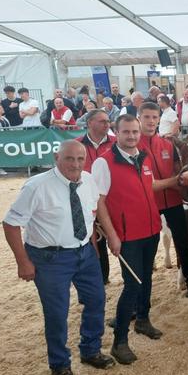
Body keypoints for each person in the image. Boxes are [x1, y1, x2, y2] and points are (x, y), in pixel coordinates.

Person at [3, 140, 115, 375]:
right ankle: (60, 365)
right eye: (69, 159)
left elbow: (92, 214)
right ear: (57, 158)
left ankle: (90, 350)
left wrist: (93, 250)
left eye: (80, 159)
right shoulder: (36, 186)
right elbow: (10, 223)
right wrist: (23, 262)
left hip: (85, 253)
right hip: (49, 259)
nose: (75, 164)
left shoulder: (88, 180)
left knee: (97, 299)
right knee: (56, 313)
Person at [92, 114, 166, 364]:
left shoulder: (142, 157)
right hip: (127, 237)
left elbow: (149, 188)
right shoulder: (104, 163)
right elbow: (99, 201)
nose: (132, 136)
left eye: (135, 132)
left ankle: (143, 321)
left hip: (150, 230)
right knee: (132, 285)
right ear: (116, 132)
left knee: (146, 280)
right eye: (127, 132)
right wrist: (112, 235)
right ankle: (119, 341)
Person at [137, 102, 188, 304]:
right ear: (139, 118)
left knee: (183, 243)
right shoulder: (134, 146)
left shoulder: (168, 145)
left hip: (174, 201)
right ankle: (140, 296)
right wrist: (177, 181)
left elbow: (178, 170)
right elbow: (146, 185)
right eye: (146, 117)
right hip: (148, 204)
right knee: (148, 247)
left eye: (154, 117)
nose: (151, 121)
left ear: (160, 119)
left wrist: (186, 180)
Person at [76, 109, 115, 284]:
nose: (107, 124)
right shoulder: (76, 145)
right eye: (102, 121)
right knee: (94, 246)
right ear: (90, 123)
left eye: (108, 121)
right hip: (86, 204)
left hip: (112, 202)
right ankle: (100, 281)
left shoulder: (116, 143)